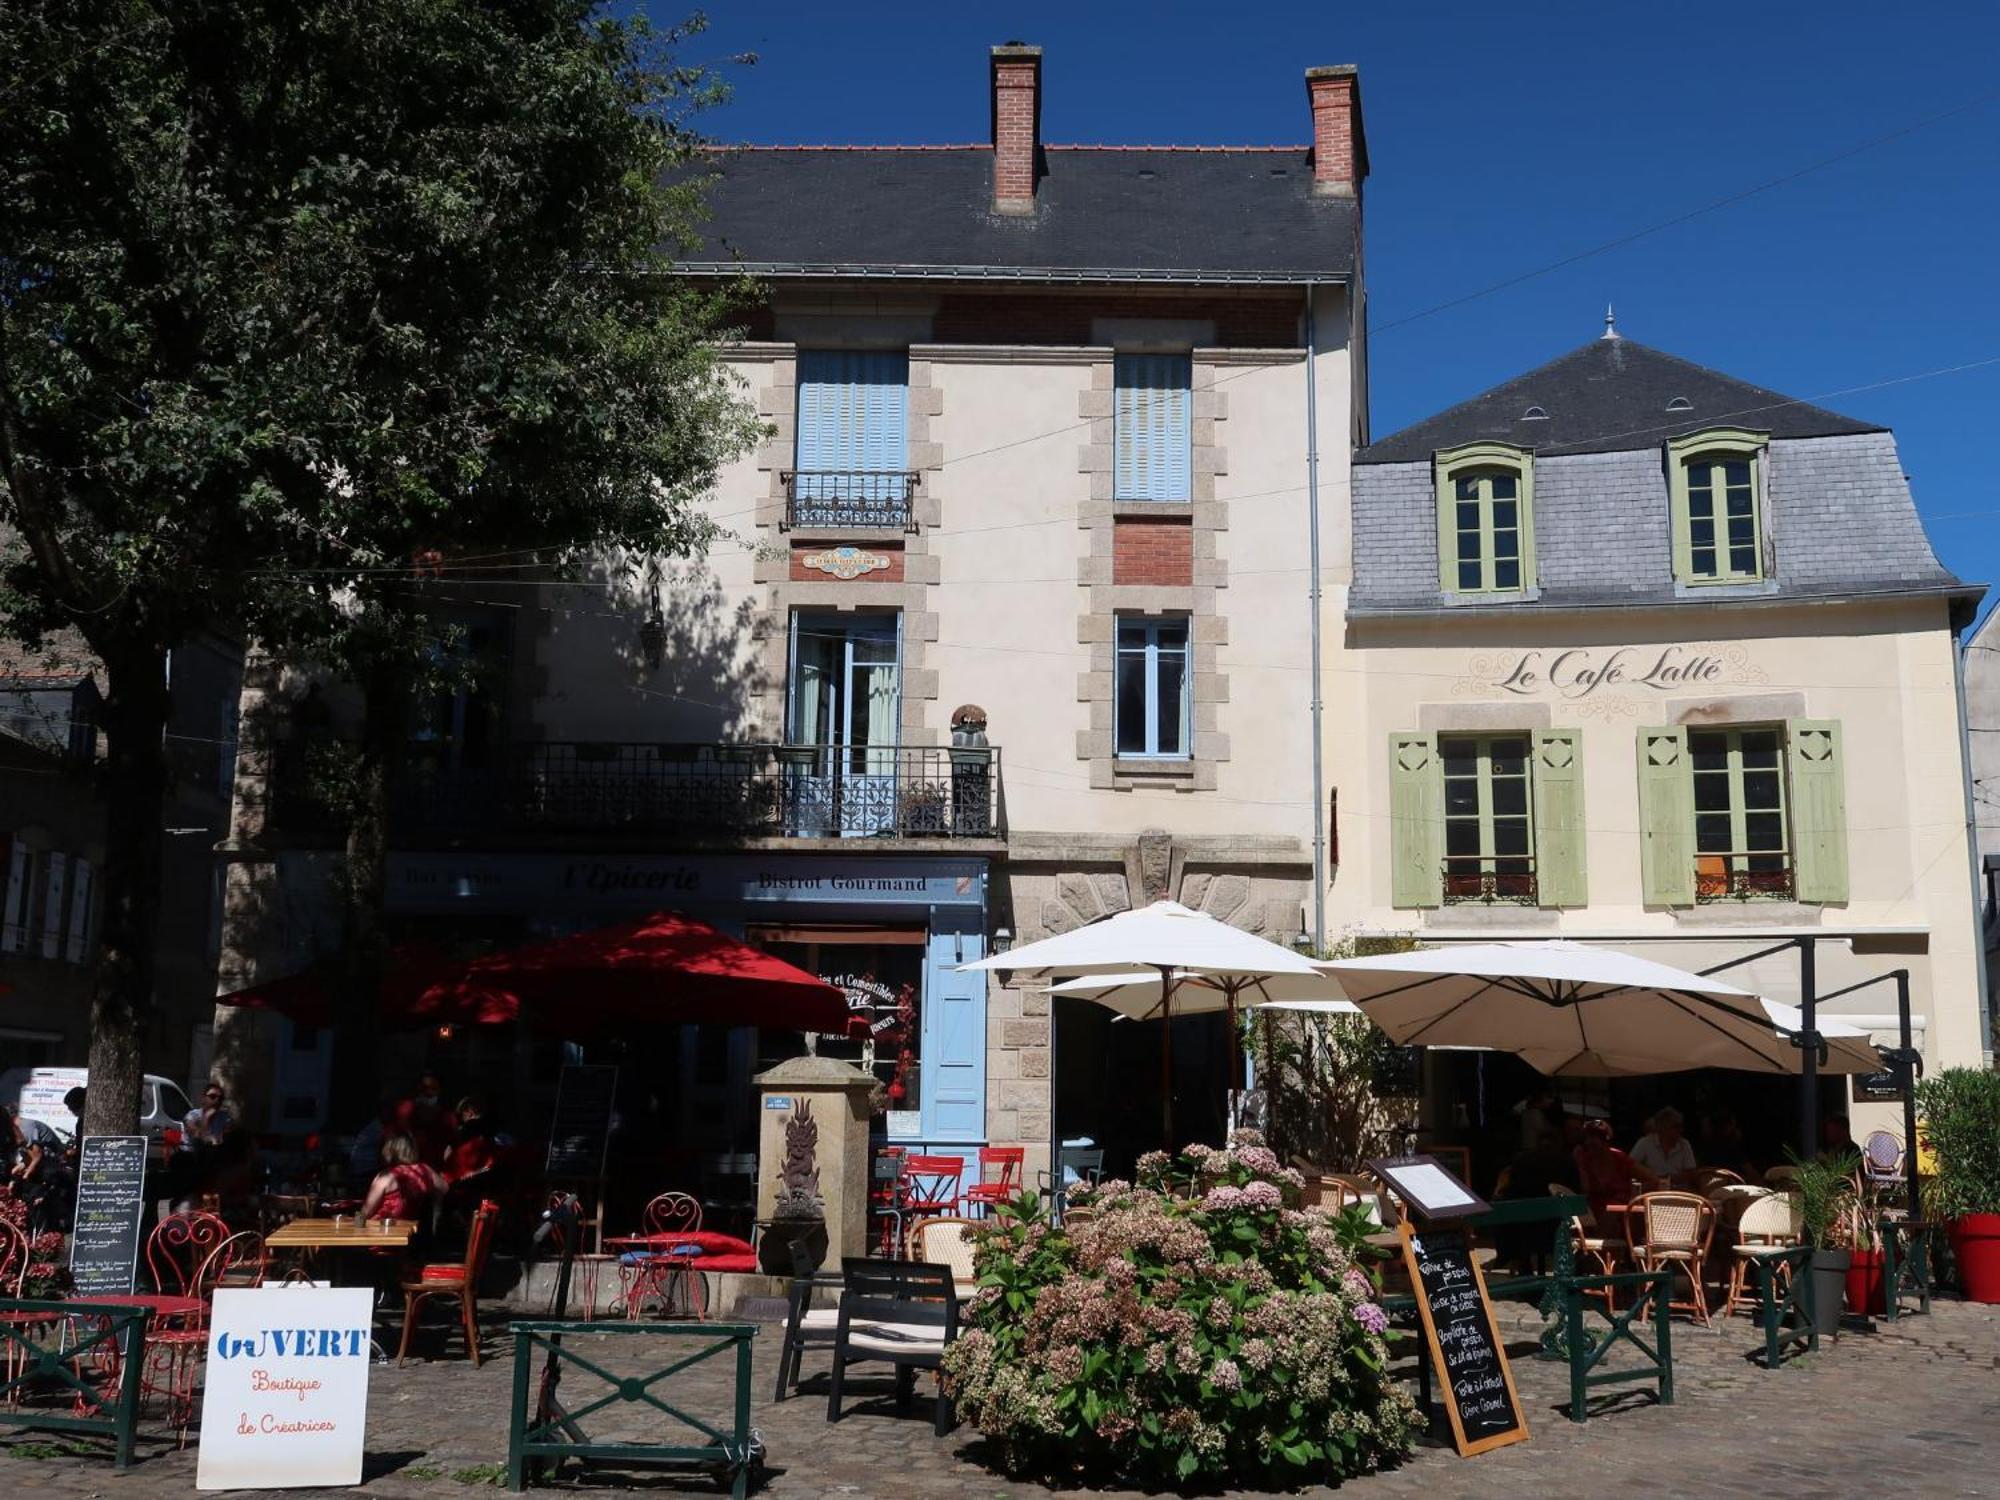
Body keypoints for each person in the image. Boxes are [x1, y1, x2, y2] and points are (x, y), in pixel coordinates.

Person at [1572, 1118, 1662, 1225]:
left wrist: (1630, 1192)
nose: (1590, 1142)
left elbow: (1653, 1180)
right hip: (1592, 1211)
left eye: (1595, 1137)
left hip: (1619, 1209)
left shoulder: (1619, 1158)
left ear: (1606, 1141)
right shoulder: (1583, 1159)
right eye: (1588, 1138)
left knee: (1614, 1215)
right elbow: (1585, 1189)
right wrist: (1580, 1164)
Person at [360, 1134, 444, 1227]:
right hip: (411, 1230)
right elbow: (445, 1190)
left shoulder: (386, 1177)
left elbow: (365, 1213)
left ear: (390, 1150)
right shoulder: (425, 1170)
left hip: (381, 1231)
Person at [1630, 1107, 1698, 1185]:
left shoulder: (1684, 1144)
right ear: (1661, 1127)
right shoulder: (1645, 1143)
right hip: (1651, 1190)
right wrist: (1649, 1177)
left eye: (1681, 1126)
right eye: (1676, 1126)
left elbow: (1691, 1173)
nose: (1680, 1130)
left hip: (1678, 1191)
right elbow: (1630, 1167)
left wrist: (1666, 1179)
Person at [183, 1081, 235, 1148]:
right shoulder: (192, 1116)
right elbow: (197, 1137)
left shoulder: (224, 1117)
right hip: (192, 1154)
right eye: (212, 1096)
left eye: (220, 1098)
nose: (217, 1100)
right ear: (204, 1098)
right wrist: (206, 1118)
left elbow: (229, 1136)